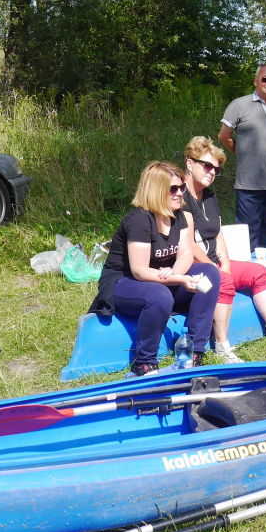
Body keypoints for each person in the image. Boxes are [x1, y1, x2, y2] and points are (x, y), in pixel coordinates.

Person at [181, 137, 266, 362]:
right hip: (190, 263)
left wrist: (225, 260)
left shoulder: (209, 195)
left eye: (216, 169)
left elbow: (217, 232)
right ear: (190, 163)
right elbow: (188, 243)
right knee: (223, 280)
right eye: (207, 166)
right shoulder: (180, 195)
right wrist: (214, 267)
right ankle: (222, 345)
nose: (212, 172)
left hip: (212, 258)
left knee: (258, 272)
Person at [89, 161, 221, 376]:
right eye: (173, 189)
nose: (180, 193)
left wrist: (175, 273)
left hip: (161, 280)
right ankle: (145, 363)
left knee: (209, 272)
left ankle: (195, 351)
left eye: (182, 187)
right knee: (159, 294)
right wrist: (179, 279)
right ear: (156, 190)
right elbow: (140, 271)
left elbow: (186, 253)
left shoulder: (178, 215)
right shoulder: (139, 220)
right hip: (124, 284)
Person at [218, 63, 266, 251]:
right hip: (249, 186)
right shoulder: (239, 105)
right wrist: (242, 152)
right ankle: (250, 269)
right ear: (256, 81)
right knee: (248, 238)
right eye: (265, 79)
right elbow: (224, 136)